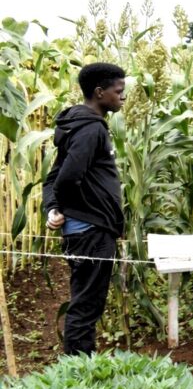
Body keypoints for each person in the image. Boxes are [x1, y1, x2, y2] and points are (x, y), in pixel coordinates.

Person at [42, 62, 127, 356]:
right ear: (100, 92)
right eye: (119, 91)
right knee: (87, 306)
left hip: (83, 229)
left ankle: (78, 368)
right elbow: (67, 177)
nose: (122, 97)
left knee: (85, 302)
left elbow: (53, 177)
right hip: (91, 231)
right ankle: (78, 371)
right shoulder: (91, 129)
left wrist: (53, 208)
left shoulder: (77, 126)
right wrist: (65, 206)